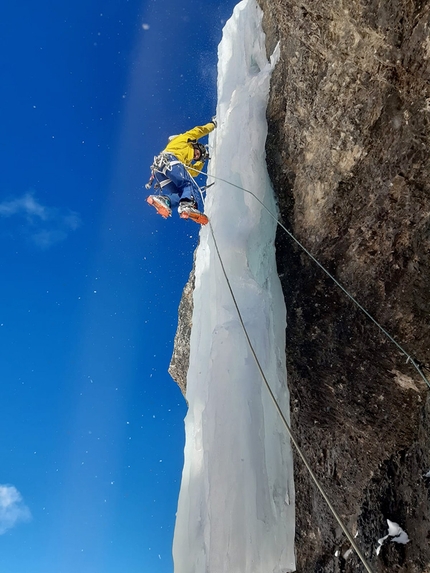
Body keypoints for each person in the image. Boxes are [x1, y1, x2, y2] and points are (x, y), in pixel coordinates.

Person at [145, 119, 216, 225]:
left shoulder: (184, 163)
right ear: (195, 145)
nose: (195, 156)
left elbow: (193, 172)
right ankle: (187, 205)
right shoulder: (186, 139)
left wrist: (201, 161)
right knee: (189, 185)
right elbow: (199, 130)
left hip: (158, 170)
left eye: (197, 157)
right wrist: (213, 125)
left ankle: (164, 201)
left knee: (182, 193)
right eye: (197, 153)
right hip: (170, 160)